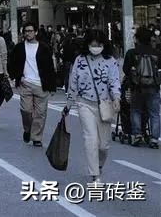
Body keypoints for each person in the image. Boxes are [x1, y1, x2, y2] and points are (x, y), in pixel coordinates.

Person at [64, 30, 121, 182]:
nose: (96, 47)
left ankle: (99, 165)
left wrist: (116, 97)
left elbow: (114, 81)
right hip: (84, 103)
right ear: (87, 44)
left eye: (99, 44)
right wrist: (68, 105)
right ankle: (95, 174)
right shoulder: (80, 60)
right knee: (91, 139)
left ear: (104, 45)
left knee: (104, 145)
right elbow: (73, 83)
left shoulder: (110, 61)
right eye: (93, 44)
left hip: (104, 105)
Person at [9, 21, 56, 146]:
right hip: (25, 83)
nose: (28, 33)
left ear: (36, 32)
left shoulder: (44, 48)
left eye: (30, 31)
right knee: (26, 110)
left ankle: (36, 138)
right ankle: (27, 129)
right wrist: (17, 76)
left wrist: (52, 86)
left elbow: (50, 67)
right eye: (26, 31)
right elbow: (11, 62)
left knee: (41, 113)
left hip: (41, 84)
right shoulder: (19, 47)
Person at [122, 26, 160, 148]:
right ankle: (154, 139)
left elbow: (125, 69)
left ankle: (137, 135)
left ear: (137, 39)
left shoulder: (132, 53)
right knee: (154, 113)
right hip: (153, 88)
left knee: (136, 110)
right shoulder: (156, 53)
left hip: (136, 87)